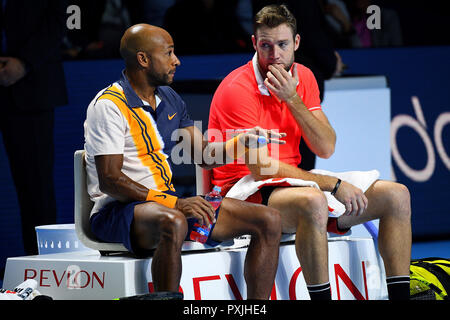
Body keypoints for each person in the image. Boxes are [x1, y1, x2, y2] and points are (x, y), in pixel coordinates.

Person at [208, 4, 412, 300]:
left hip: (291, 185)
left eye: (282, 45)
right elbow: (261, 169)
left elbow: (326, 146)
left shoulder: (303, 77)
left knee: (397, 196)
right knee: (314, 200)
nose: (274, 55)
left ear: (297, 43)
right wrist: (334, 185)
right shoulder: (236, 88)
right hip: (242, 191)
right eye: (265, 45)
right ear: (254, 44)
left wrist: (292, 98)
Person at [83, 24, 283, 299]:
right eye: (169, 53)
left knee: (269, 219)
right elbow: (111, 181)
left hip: (164, 207)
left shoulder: (169, 98)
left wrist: (242, 141)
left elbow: (205, 156)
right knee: (174, 220)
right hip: (117, 212)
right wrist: (174, 202)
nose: (177, 60)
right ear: (143, 59)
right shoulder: (108, 105)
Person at [0, 0, 68, 256]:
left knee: (36, 189)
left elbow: (57, 20)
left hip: (32, 85)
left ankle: (43, 267)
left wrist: (25, 62)